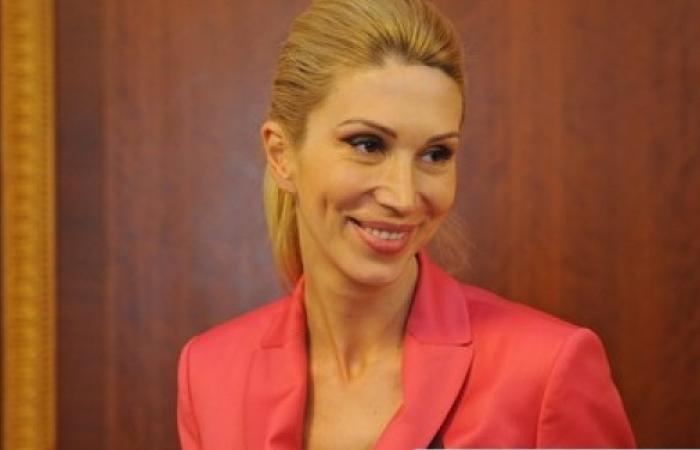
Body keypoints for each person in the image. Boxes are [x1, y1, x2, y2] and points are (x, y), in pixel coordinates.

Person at [177, 0, 636, 448]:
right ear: (281, 155)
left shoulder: (548, 367)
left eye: (435, 154)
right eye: (367, 144)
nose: (403, 196)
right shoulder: (209, 373)